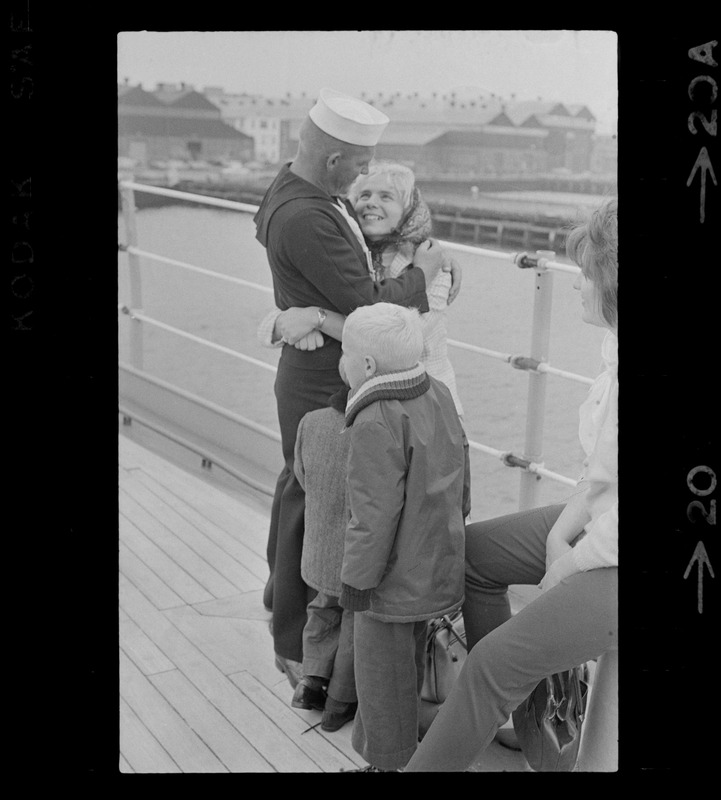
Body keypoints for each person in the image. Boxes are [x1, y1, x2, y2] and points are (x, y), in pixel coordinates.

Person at [253, 87, 460, 686]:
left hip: (310, 365)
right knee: (316, 504)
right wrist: (424, 270)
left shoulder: (290, 187)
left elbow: (294, 251)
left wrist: (302, 307)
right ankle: (294, 641)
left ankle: (277, 595)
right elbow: (371, 309)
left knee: (297, 484)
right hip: (326, 375)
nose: (366, 175)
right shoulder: (309, 215)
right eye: (361, 166)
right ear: (335, 162)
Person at [404, 198, 618, 772]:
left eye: (588, 272)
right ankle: (535, 731)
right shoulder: (614, 352)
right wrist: (560, 538)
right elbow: (599, 476)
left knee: (493, 662)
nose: (576, 284)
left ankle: (489, 713)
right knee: (474, 555)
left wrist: (569, 563)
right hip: (600, 522)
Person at [337, 302, 469, 772]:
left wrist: (356, 583)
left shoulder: (375, 422)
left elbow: (372, 517)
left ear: (367, 366)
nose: (342, 362)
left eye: (345, 354)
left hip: (391, 585)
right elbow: (462, 470)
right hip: (438, 562)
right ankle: (389, 755)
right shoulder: (438, 393)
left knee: (382, 679)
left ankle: (391, 765)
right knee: (406, 667)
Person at [259, 160, 464, 417]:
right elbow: (272, 324)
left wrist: (316, 318)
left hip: (425, 410)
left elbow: (397, 342)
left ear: (408, 209)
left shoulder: (432, 265)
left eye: (386, 197)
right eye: (364, 195)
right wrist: (282, 322)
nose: (371, 203)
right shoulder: (343, 255)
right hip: (367, 408)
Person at [290, 369, 358, 733]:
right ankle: (340, 701)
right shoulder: (375, 431)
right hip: (356, 556)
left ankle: (311, 681)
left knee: (322, 607)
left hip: (319, 549)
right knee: (353, 618)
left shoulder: (312, 422)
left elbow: (303, 476)